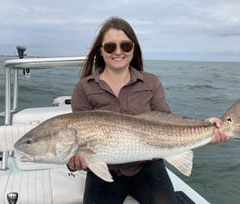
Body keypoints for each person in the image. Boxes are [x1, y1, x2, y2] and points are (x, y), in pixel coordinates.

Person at [67, 16, 229, 204]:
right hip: (105, 169)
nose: (118, 52)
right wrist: (74, 162)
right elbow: (78, 141)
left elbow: (168, 121)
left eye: (125, 46)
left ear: (133, 48)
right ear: (100, 51)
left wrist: (207, 126)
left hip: (148, 166)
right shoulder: (84, 88)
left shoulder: (151, 83)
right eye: (111, 47)